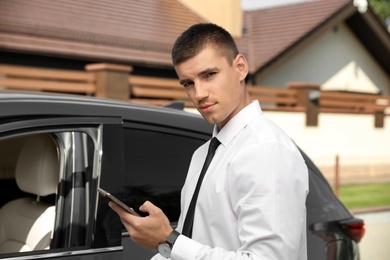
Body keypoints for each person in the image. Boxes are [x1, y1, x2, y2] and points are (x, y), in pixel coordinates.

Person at [109, 23, 309, 260]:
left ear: (240, 68)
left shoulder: (265, 150)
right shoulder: (203, 153)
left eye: (209, 75)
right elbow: (192, 244)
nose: (199, 93)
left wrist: (169, 240)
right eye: (188, 83)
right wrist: (167, 242)